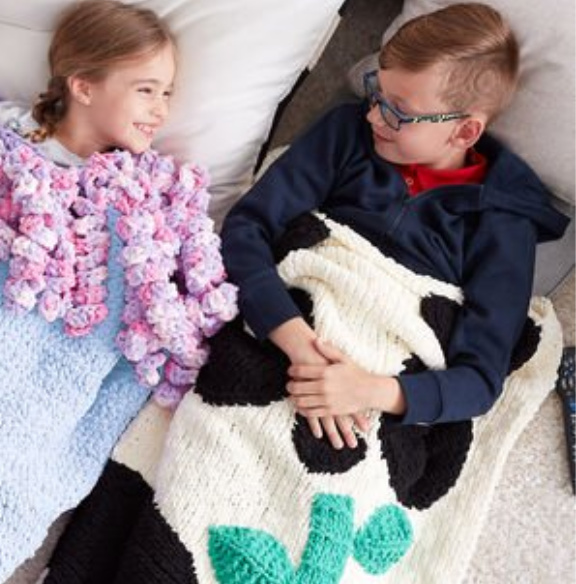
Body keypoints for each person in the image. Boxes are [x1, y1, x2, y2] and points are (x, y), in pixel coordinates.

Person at [220, 3, 570, 450]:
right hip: (284, 330)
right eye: (376, 93)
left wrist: (367, 389)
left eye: (398, 111)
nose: (373, 115)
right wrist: (300, 345)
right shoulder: (344, 134)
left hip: (379, 392)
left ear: (463, 133)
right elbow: (246, 228)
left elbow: (480, 379)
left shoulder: (504, 223)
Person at [0, 0, 177, 166]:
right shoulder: (6, 127)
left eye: (166, 93)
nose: (162, 112)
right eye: (146, 90)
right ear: (84, 89)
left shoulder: (133, 181)